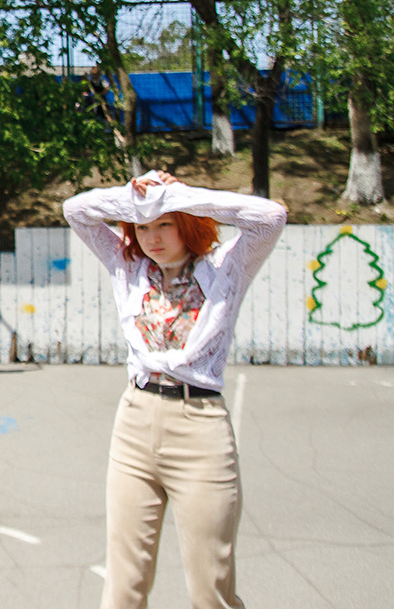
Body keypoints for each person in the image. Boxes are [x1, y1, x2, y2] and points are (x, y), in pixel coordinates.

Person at [63, 170, 287, 609]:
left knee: (210, 592)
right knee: (123, 589)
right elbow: (77, 211)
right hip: (135, 422)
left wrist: (180, 196)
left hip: (200, 429)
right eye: (141, 227)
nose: (151, 237)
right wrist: (136, 197)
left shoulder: (227, 268)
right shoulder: (127, 266)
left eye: (164, 223)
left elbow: (270, 217)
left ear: (187, 223)